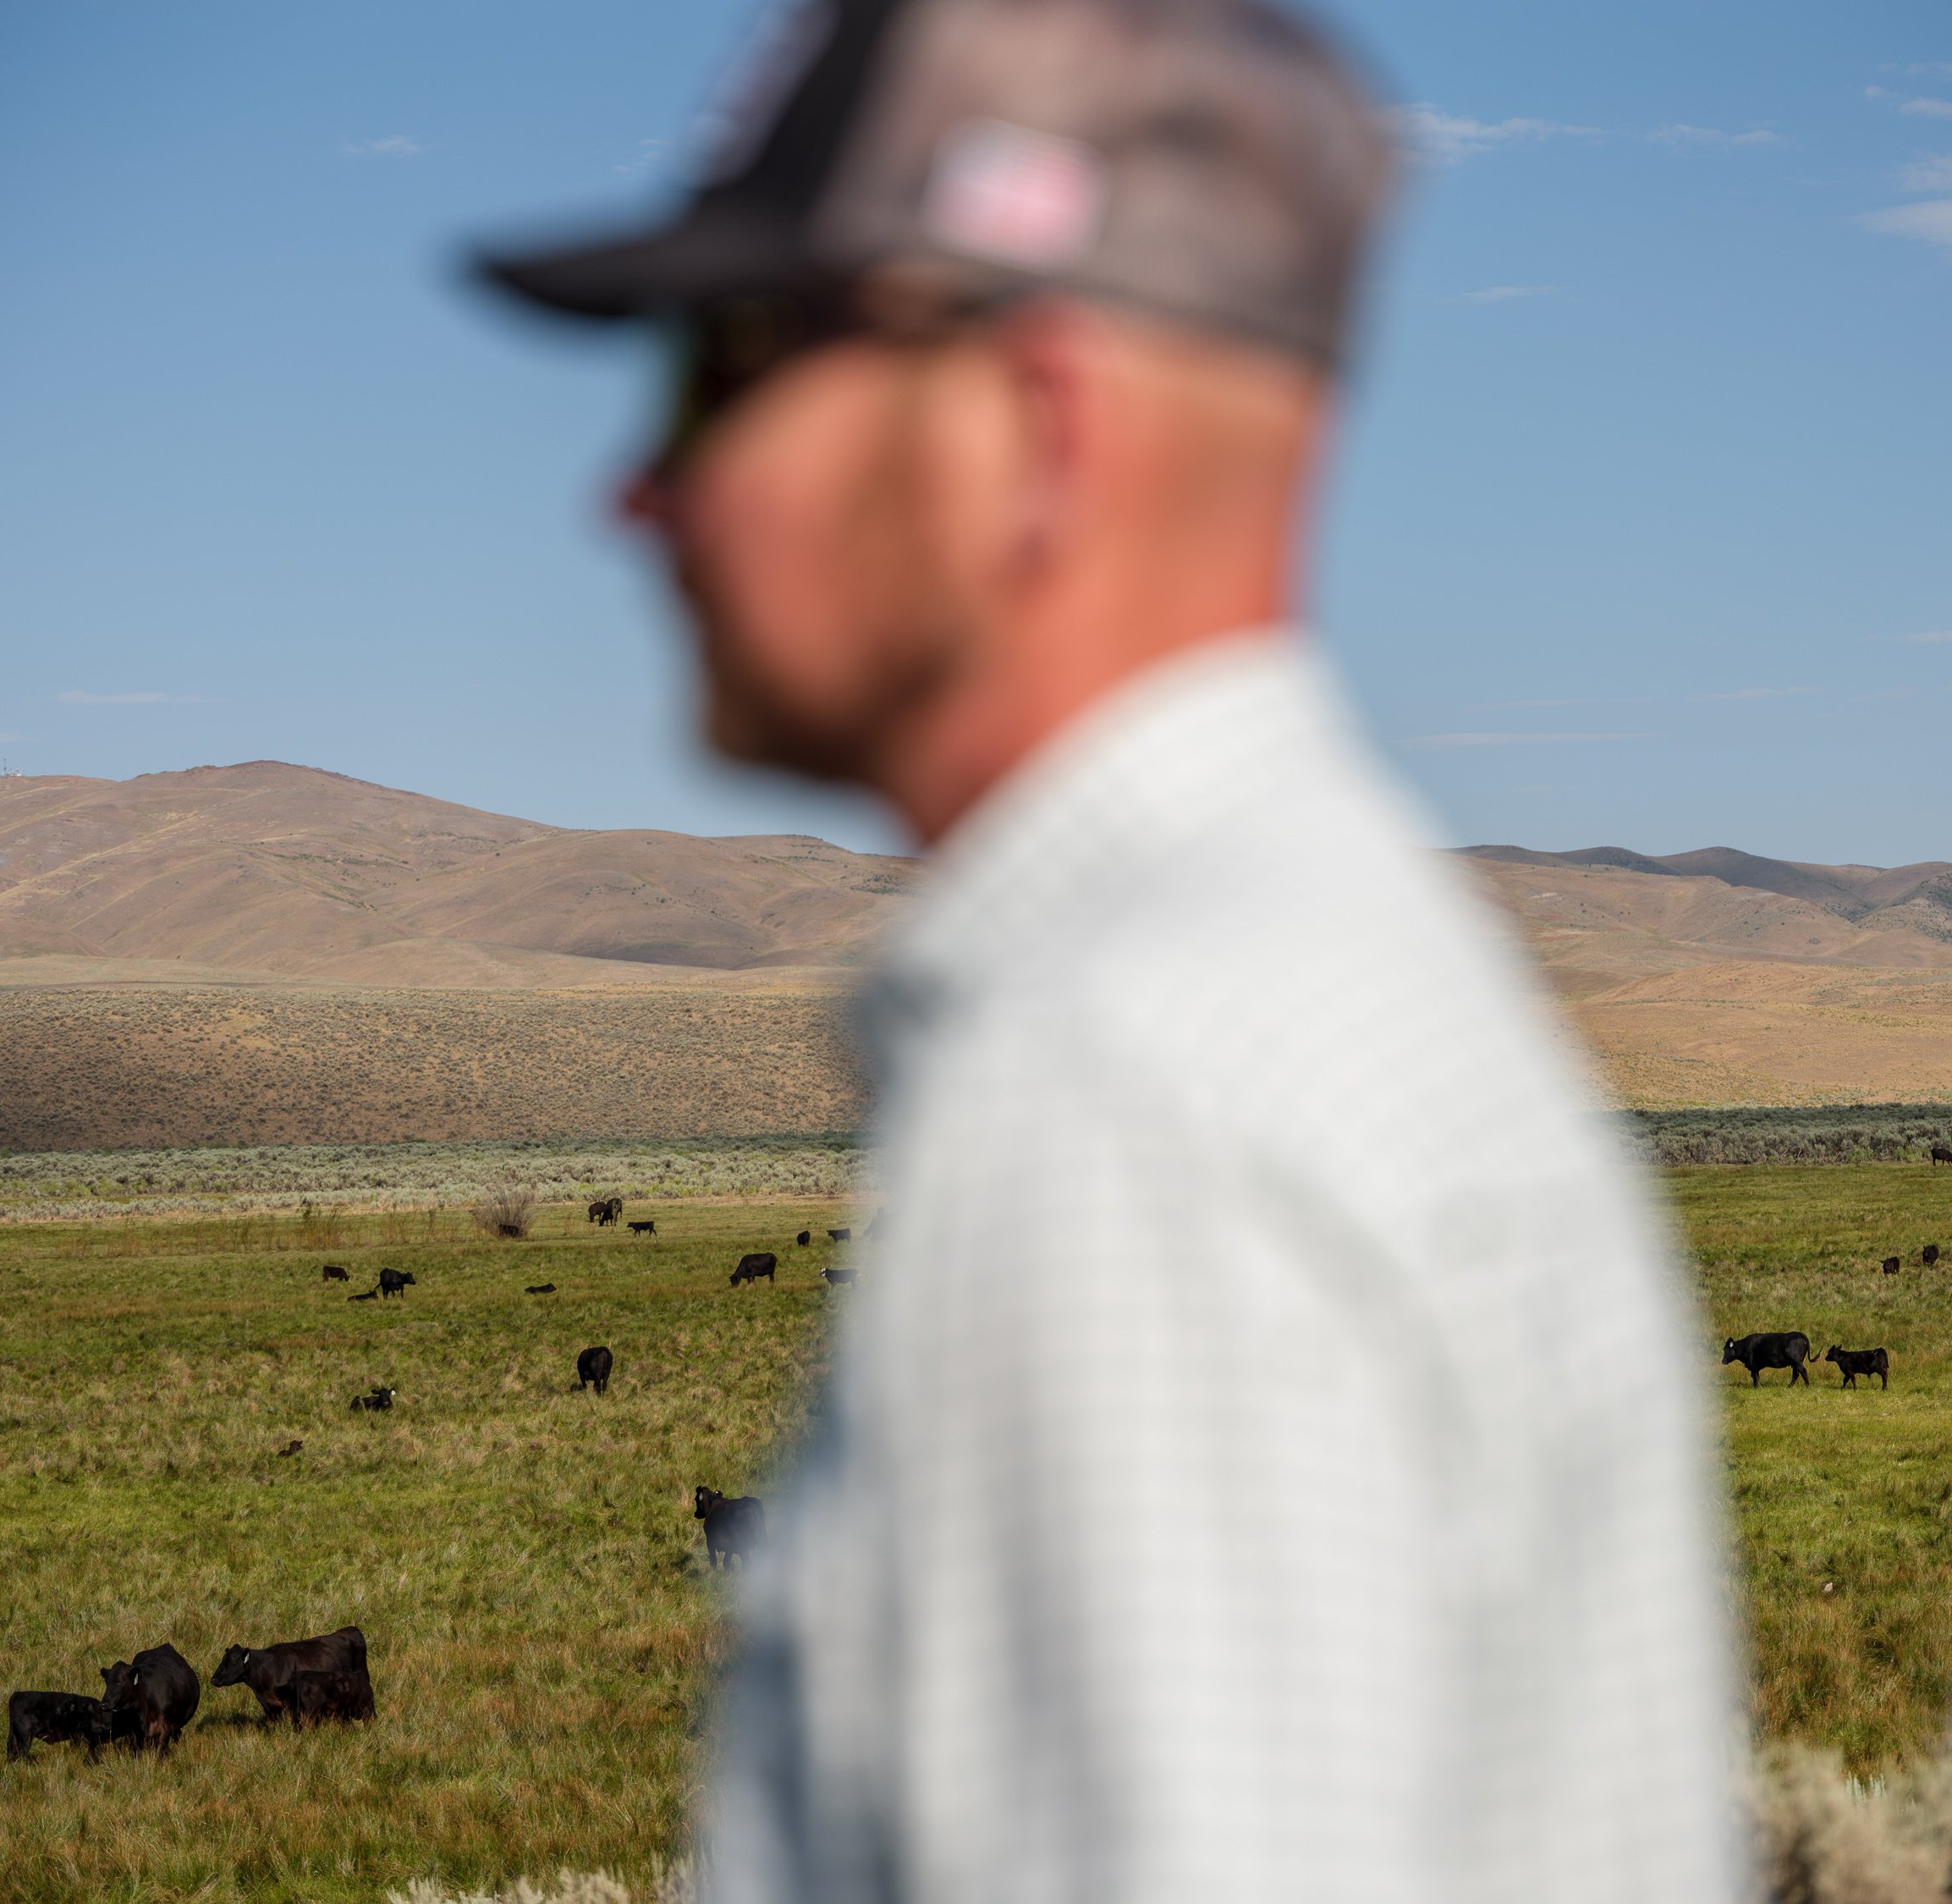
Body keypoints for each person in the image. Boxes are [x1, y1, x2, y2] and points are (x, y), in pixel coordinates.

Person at [481, 0, 1744, 1898]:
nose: (636, 492)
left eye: (721, 364)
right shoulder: (1337, 987)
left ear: (1038, 429)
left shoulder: (1129, 1110)